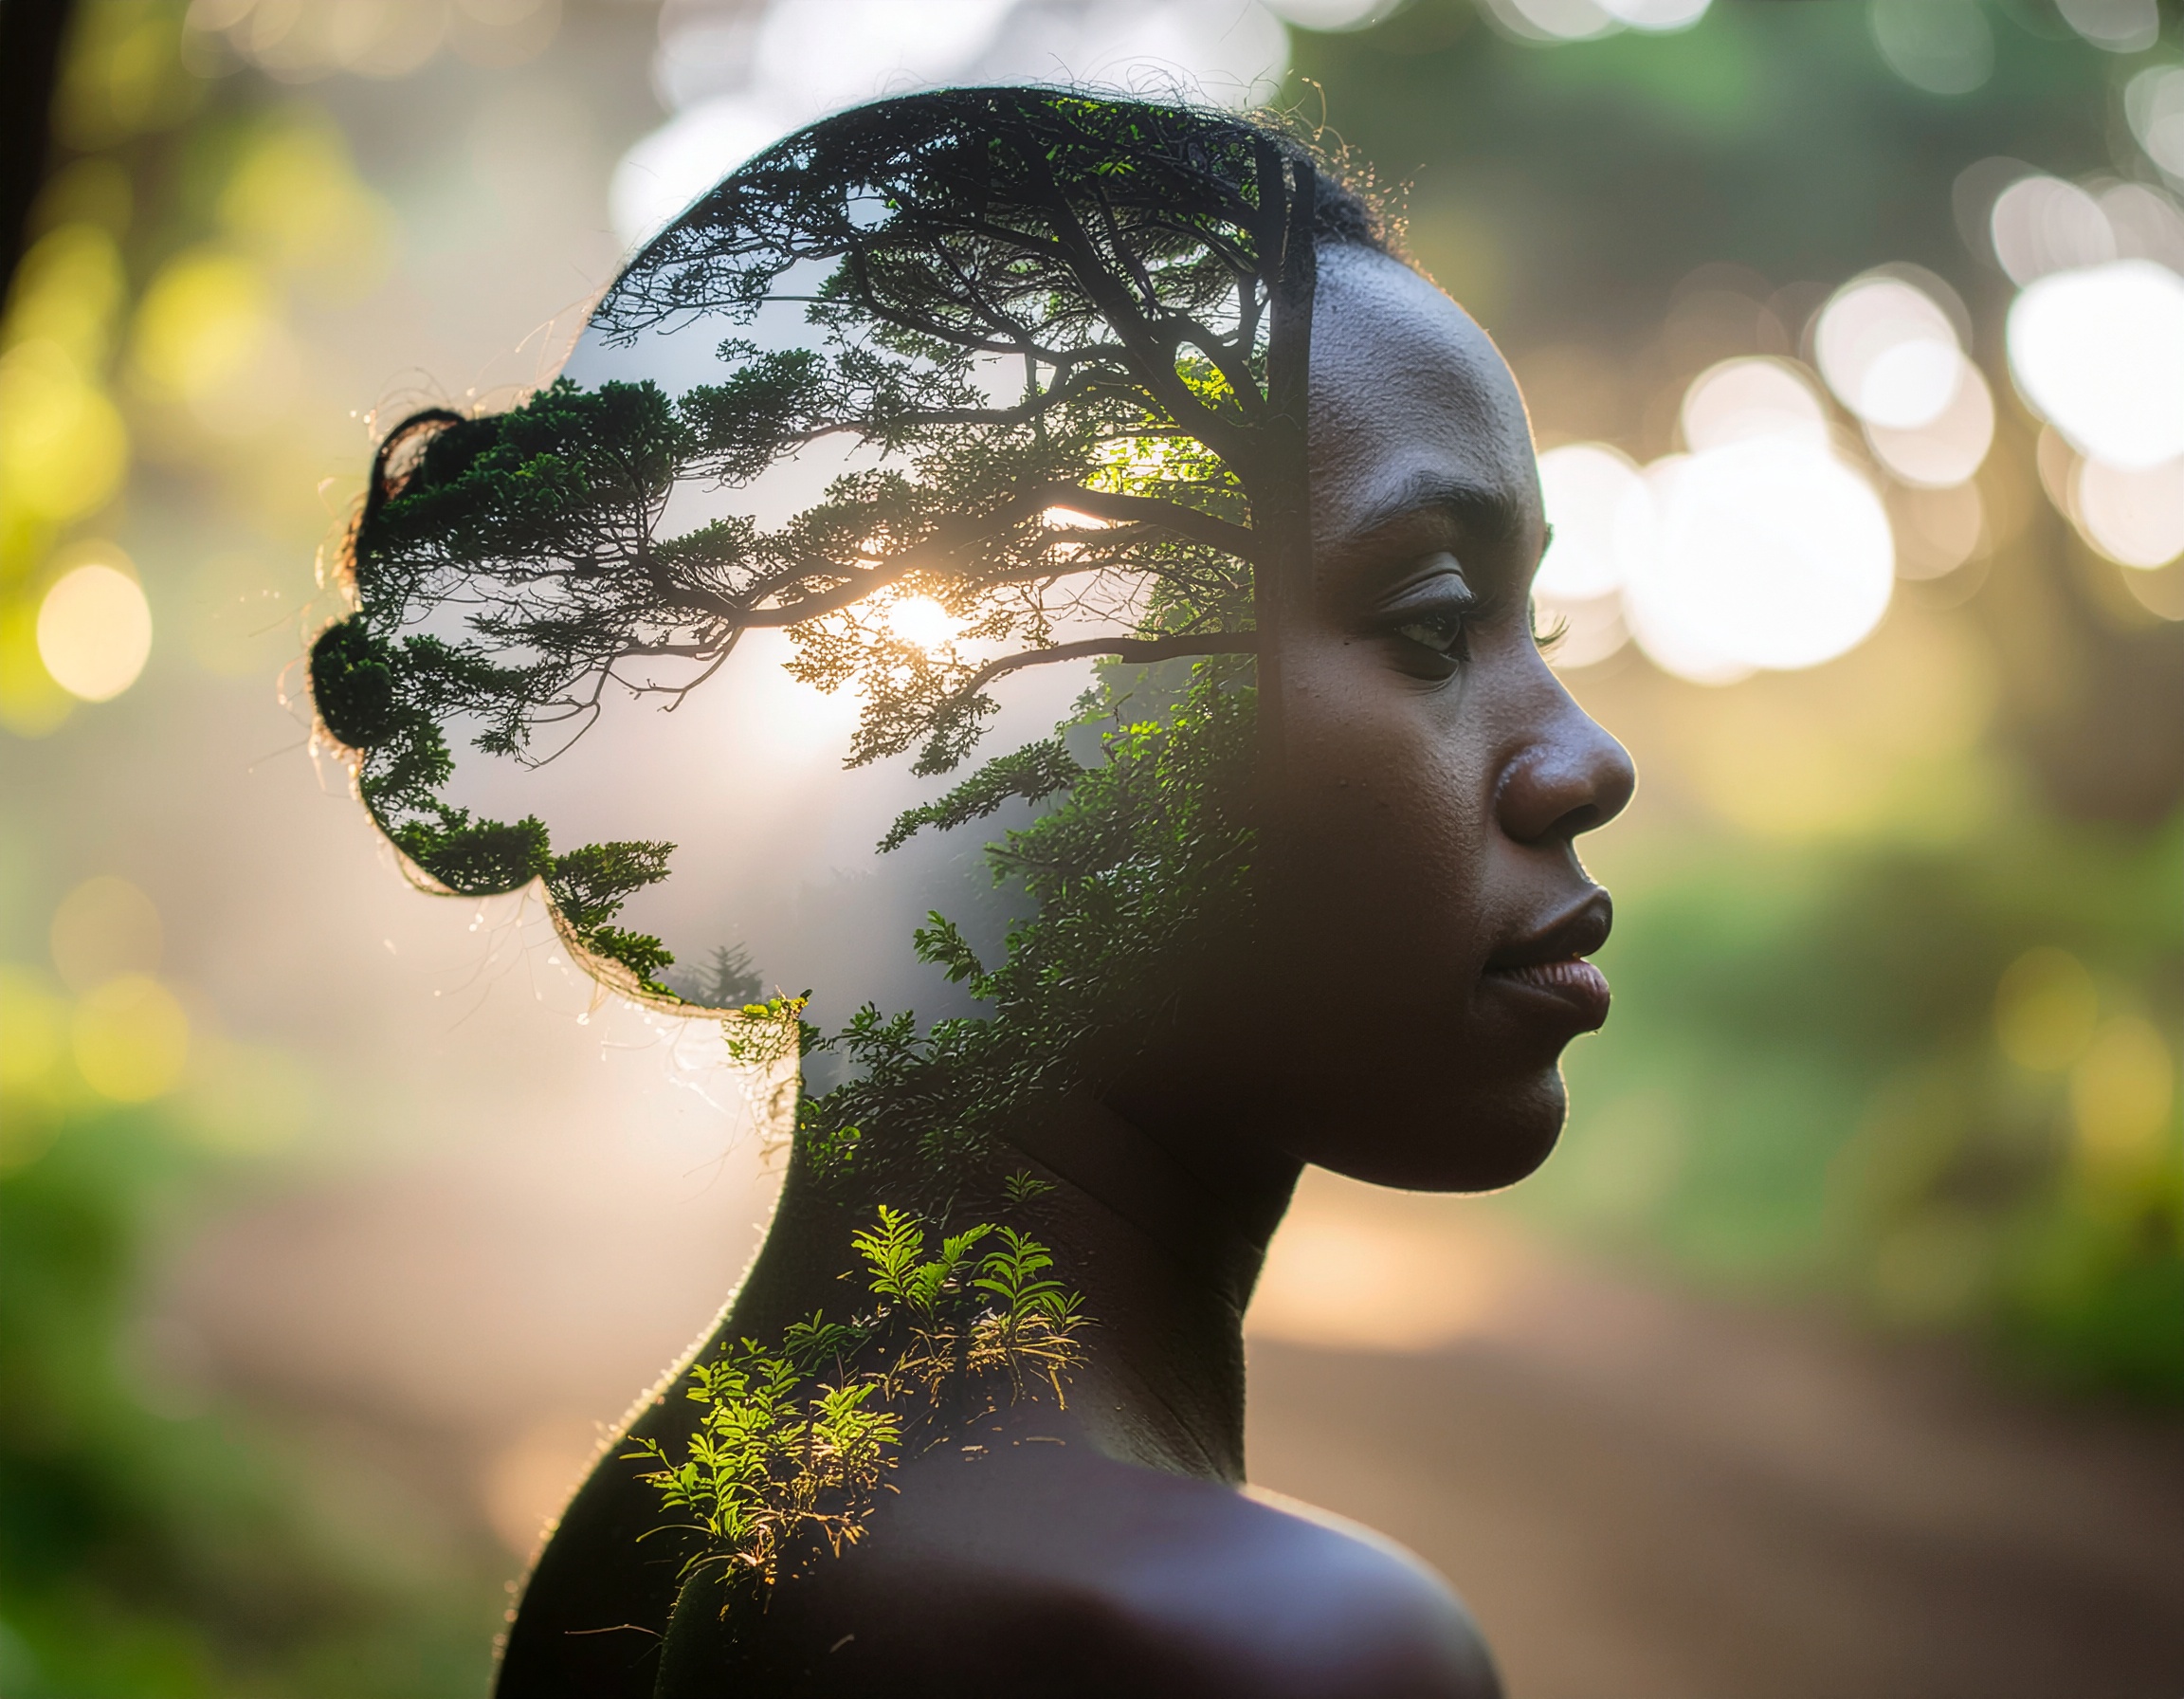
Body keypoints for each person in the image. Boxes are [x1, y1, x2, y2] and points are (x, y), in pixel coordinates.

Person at [312, 88, 1632, 1697]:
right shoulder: (1234, 1645)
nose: (1584, 762)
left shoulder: (660, 1526)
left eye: (1530, 624)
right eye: (1434, 620)